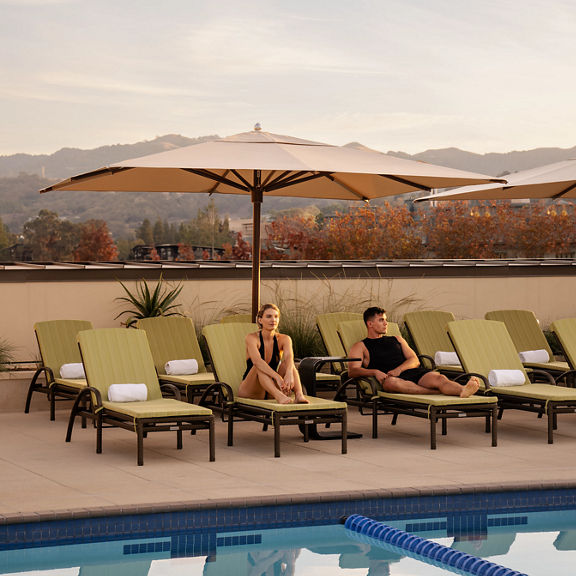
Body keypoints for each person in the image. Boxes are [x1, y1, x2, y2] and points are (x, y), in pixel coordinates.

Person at [348, 306, 480, 397]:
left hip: (413, 372)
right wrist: (375, 372)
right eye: (381, 320)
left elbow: (414, 360)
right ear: (370, 324)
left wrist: (399, 370)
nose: (386, 323)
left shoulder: (397, 339)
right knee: (391, 383)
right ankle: (435, 393)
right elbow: (352, 371)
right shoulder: (360, 346)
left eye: (386, 320)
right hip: (392, 379)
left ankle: (463, 390)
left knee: (440, 378)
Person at [239, 303, 310, 404]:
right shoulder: (252, 338)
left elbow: (289, 357)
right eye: (268, 316)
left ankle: (299, 395)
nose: (273, 320)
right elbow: (257, 361)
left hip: (271, 388)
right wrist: (278, 377)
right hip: (251, 390)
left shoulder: (285, 339)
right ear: (260, 320)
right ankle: (279, 396)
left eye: (276, 316)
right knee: (259, 366)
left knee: (288, 364)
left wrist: (289, 373)